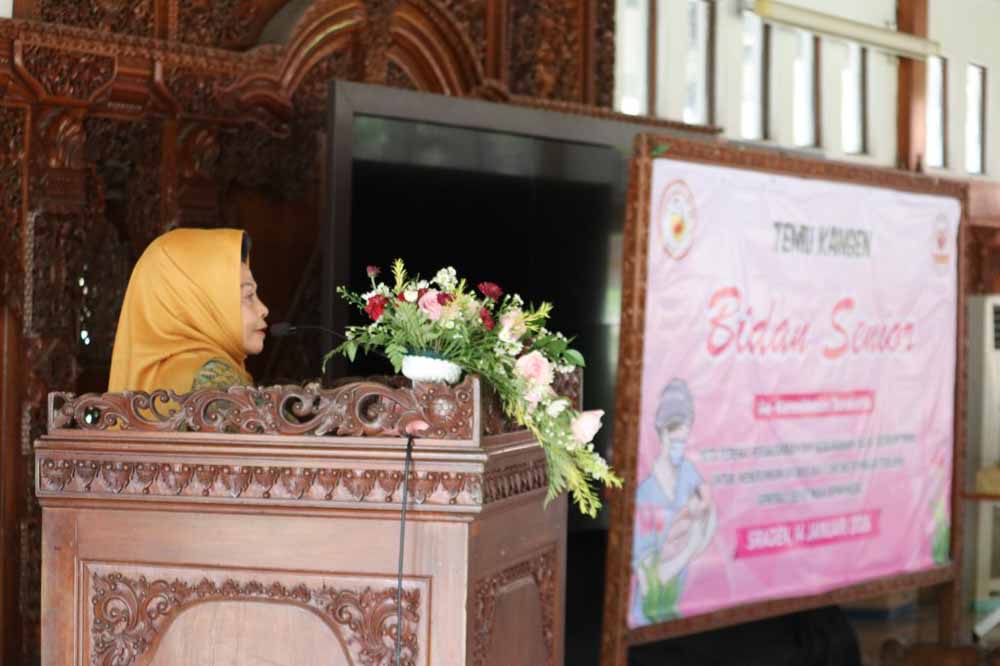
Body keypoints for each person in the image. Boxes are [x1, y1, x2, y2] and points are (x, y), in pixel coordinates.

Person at [108, 227, 270, 394]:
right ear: (201, 304)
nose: (263, 309)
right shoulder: (211, 376)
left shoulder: (159, 373)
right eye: (249, 295)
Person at [630, 378, 717, 626]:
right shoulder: (645, 492)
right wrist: (689, 547)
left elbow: (708, 507)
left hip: (679, 606)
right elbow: (649, 581)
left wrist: (701, 513)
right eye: (675, 441)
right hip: (647, 612)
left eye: (684, 440)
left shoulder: (688, 472)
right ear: (662, 434)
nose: (680, 448)